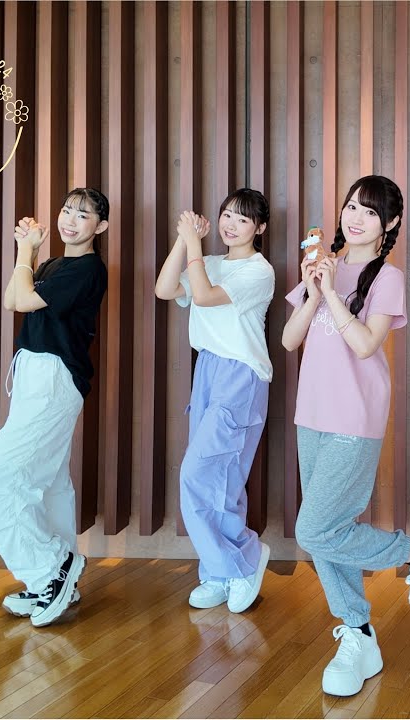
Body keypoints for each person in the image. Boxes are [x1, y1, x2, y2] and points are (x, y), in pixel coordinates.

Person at [280, 175, 410, 697]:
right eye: (351, 206)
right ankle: (358, 634)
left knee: (314, 530)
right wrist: (314, 288)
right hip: (310, 414)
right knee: (330, 529)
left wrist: (331, 295)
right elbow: (290, 339)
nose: (355, 217)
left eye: (369, 211)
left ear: (391, 223)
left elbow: (365, 345)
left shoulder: (388, 276)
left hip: (354, 415)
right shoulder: (322, 266)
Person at [0, 187, 110, 628]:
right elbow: (11, 300)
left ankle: (52, 567)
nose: (70, 219)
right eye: (67, 210)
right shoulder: (54, 265)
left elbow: (22, 300)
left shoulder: (87, 268)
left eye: (83, 215)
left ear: (101, 227)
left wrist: (24, 252)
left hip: (53, 376)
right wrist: (31, 254)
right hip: (37, 374)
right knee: (48, 484)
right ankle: (51, 580)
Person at [153, 188, 276, 613]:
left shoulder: (259, 271)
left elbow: (204, 297)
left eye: (243, 219)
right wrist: (183, 240)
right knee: (219, 479)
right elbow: (164, 289)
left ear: (259, 228)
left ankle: (244, 558)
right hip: (207, 370)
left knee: (200, 473)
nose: (231, 224)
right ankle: (220, 572)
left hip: (240, 375)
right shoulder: (209, 261)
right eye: (227, 215)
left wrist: (193, 244)